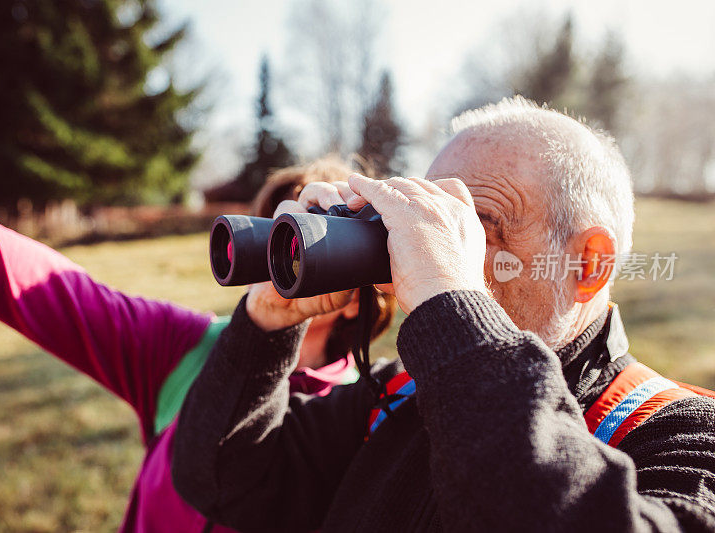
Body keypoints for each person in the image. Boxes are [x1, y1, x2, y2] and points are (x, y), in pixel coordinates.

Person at [171, 97, 715, 532]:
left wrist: (451, 304)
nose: (433, 247)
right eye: (430, 220)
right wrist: (267, 323)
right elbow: (220, 480)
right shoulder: (395, 397)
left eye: (473, 225)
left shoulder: (681, 434)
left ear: (590, 264)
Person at [0, 157, 395, 532]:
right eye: (271, 232)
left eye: (300, 242)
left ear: (356, 297)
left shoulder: (365, 417)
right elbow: (52, 291)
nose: (276, 260)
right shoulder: (186, 350)